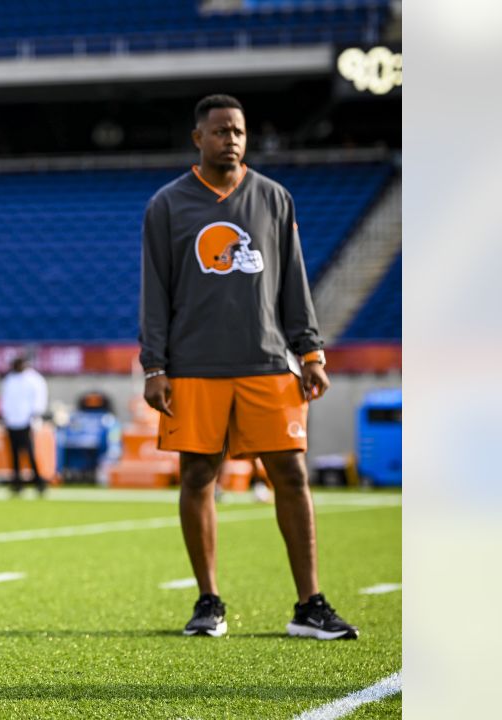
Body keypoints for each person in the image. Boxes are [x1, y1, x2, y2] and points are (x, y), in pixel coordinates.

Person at [139, 94, 358, 641]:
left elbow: (293, 284)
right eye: (219, 131)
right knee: (198, 476)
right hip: (193, 366)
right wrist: (154, 365)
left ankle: (309, 604)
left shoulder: (274, 198)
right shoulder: (167, 204)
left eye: (237, 131)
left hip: (266, 362)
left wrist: (310, 352)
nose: (230, 140)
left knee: (291, 474)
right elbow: (155, 291)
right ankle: (209, 601)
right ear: (198, 138)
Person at [0, 356, 50, 496]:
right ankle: (17, 482)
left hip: (27, 420)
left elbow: (39, 397)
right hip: (12, 420)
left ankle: (38, 481)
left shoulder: (34, 379)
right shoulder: (9, 379)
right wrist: (4, 414)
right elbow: (5, 399)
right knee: (14, 453)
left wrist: (36, 413)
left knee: (29, 452)